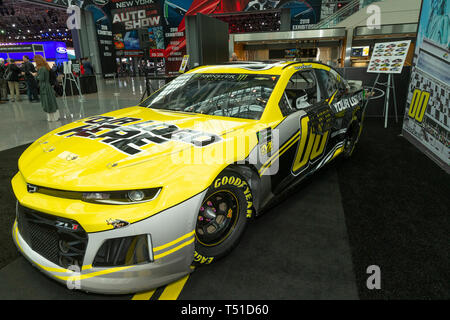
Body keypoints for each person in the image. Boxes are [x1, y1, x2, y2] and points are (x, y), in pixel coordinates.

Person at [33, 55, 60, 122]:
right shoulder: (46, 67)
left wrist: (35, 76)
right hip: (48, 86)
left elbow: (41, 78)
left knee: (47, 102)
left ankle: (52, 117)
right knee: (51, 101)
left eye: (35, 61)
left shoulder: (41, 69)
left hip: (44, 87)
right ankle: (55, 116)